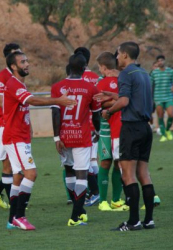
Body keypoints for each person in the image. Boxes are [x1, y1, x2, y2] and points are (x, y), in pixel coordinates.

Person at [3, 51, 76, 230]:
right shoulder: (13, 84)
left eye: (27, 60)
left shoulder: (20, 83)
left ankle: (12, 219)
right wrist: (58, 100)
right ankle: (19, 216)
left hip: (19, 137)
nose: (27, 64)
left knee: (19, 176)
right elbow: (33, 101)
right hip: (15, 138)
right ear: (13, 66)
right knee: (31, 173)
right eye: (23, 62)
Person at [100, 41, 155, 231]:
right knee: (144, 175)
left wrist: (109, 112)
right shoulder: (144, 74)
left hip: (131, 128)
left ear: (124, 55)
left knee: (128, 175)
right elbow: (135, 99)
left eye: (117, 54)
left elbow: (124, 101)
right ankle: (148, 220)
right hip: (145, 128)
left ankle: (133, 222)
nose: (115, 58)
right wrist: (112, 95)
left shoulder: (125, 74)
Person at [51, 52, 101, 226]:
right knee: (82, 175)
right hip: (82, 135)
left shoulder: (57, 87)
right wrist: (98, 131)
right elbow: (96, 115)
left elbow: (55, 113)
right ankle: (75, 216)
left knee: (69, 171)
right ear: (84, 68)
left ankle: (80, 210)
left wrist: (56, 137)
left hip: (64, 136)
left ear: (69, 67)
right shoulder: (91, 88)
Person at [0, 43, 21, 209]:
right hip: (5, 125)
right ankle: (13, 201)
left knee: (18, 166)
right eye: (17, 54)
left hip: (17, 125)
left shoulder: (18, 77)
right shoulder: (3, 76)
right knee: (9, 165)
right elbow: (2, 101)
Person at [95, 52, 128, 212]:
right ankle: (102, 201)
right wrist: (117, 101)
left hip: (121, 128)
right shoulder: (100, 83)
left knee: (119, 163)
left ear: (103, 67)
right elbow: (98, 105)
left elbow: (125, 101)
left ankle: (115, 199)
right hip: (106, 130)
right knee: (105, 161)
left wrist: (113, 101)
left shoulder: (124, 79)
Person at [73, 47, 100, 206]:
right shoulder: (96, 78)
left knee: (82, 162)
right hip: (94, 124)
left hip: (79, 125)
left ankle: (95, 192)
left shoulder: (75, 79)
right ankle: (95, 191)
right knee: (92, 158)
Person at [150, 55, 173, 142]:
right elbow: (150, 86)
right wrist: (150, 98)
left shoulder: (170, 71)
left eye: (162, 60)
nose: (160, 62)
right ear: (157, 62)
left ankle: (167, 130)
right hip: (158, 97)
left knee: (171, 114)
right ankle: (163, 135)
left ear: (164, 61)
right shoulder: (154, 73)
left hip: (168, 97)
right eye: (158, 61)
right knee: (160, 116)